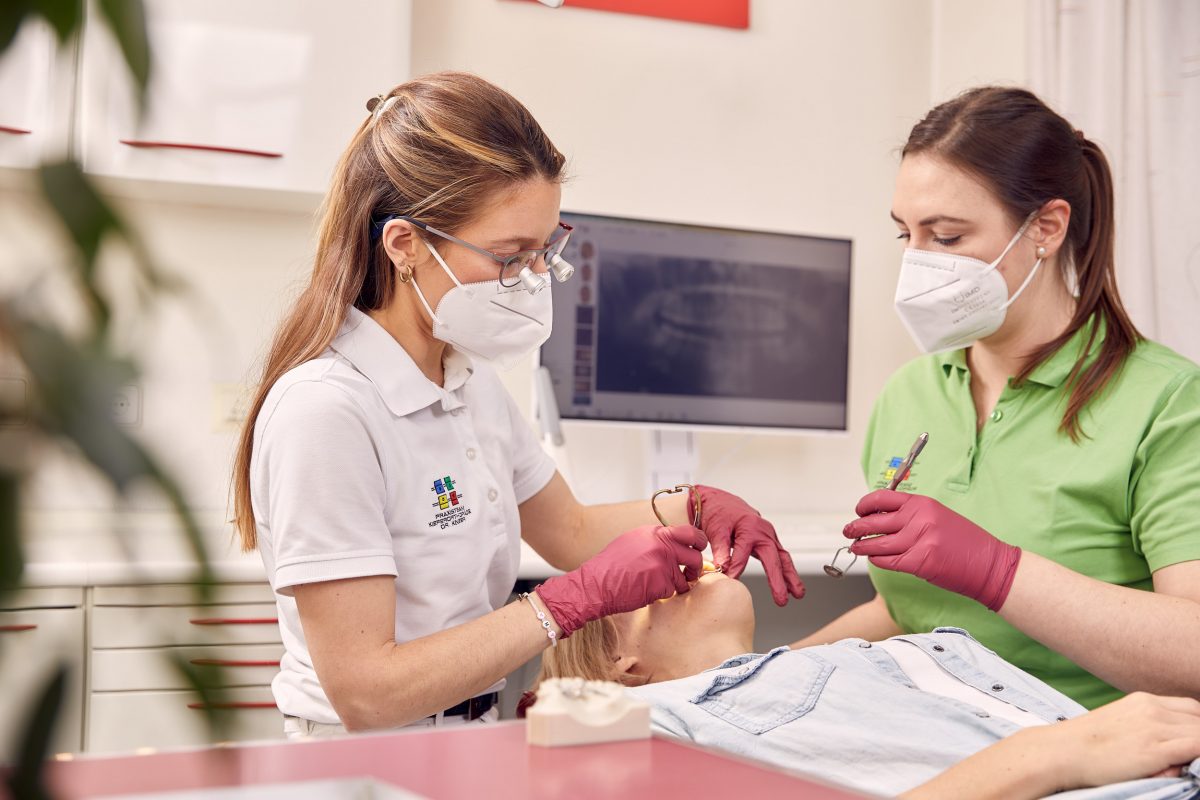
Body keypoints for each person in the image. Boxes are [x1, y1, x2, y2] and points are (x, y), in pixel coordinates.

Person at [230, 72, 804, 737]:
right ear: (405, 245)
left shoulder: (466, 381)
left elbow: (570, 532)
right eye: (509, 256)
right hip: (368, 753)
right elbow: (366, 693)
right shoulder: (326, 411)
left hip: (470, 729)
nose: (532, 280)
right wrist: (568, 603)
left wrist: (696, 505)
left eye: (544, 251)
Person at [801, 87, 1200, 709]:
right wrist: (762, 673)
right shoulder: (910, 392)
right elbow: (902, 612)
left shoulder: (1168, 403)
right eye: (905, 234)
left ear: (1046, 228)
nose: (916, 263)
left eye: (946, 237)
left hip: (1090, 740)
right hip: (929, 723)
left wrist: (997, 570)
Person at [528, 573, 1200, 800]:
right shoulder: (658, 718)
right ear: (622, 668)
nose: (675, 566)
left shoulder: (842, 660)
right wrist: (1058, 753)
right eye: (641, 586)